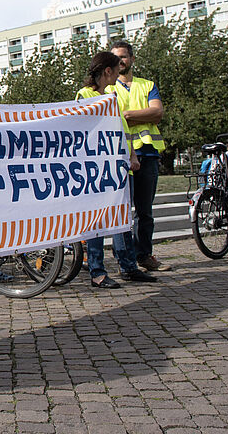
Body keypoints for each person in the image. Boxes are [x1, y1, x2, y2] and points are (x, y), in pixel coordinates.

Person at [76, 52, 155, 288]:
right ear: (107, 71)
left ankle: (128, 266)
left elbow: (120, 128)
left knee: (122, 217)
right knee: (97, 221)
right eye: (116, 68)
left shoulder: (111, 97)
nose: (119, 72)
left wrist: (131, 154)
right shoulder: (85, 95)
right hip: (99, 167)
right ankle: (97, 271)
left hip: (118, 165)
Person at [107, 40, 171, 272]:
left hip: (148, 154)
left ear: (132, 59)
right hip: (120, 156)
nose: (120, 61)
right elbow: (110, 117)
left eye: (123, 57)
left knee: (145, 211)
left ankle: (144, 255)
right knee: (122, 211)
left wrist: (126, 115)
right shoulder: (107, 88)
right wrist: (141, 115)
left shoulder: (147, 85)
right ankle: (124, 259)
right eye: (115, 58)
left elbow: (157, 113)